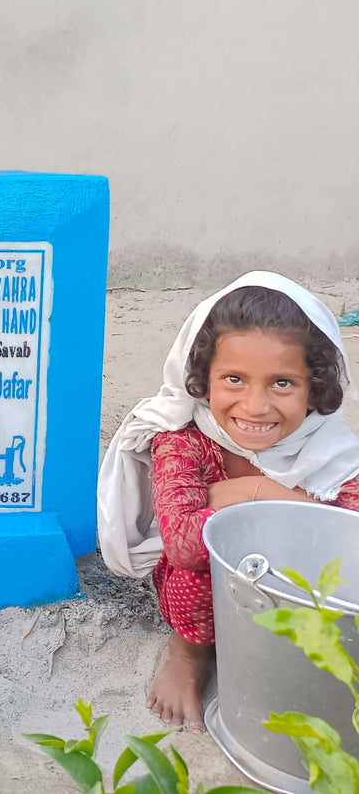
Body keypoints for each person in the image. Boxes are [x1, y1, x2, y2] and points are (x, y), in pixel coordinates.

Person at [97, 272, 359, 732]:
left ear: (315, 388)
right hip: (208, 599)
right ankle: (187, 654)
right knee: (196, 569)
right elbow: (182, 545)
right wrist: (303, 507)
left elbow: (350, 541)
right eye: (234, 379)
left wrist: (252, 492)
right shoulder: (184, 440)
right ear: (201, 379)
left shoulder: (333, 454)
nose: (255, 406)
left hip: (302, 595)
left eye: (282, 383)